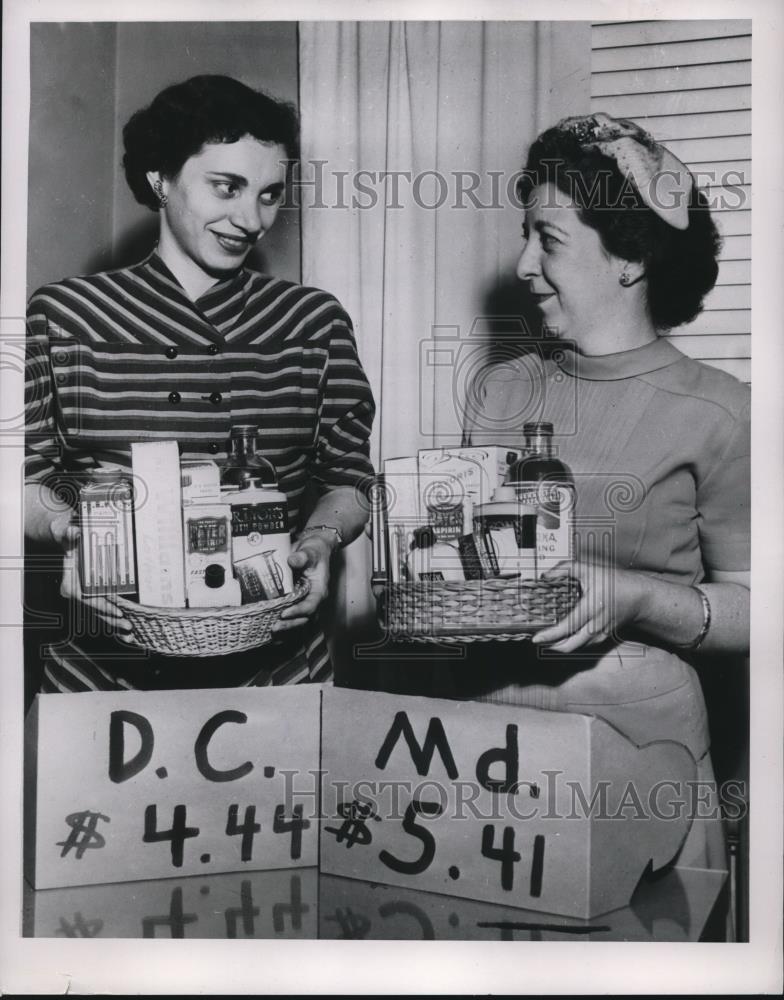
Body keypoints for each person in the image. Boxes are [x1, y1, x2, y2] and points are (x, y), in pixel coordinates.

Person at [450, 113, 750, 868]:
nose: (521, 265)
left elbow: (764, 613)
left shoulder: (722, 411)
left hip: (643, 746)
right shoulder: (498, 391)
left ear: (629, 259)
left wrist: (639, 597)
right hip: (483, 732)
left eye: (548, 240)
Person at [24, 75, 375, 693]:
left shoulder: (313, 321)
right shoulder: (65, 316)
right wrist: (70, 533)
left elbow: (347, 481)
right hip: (104, 675)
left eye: (270, 195)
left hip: (278, 672)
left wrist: (320, 541)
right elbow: (23, 480)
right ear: (160, 178)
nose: (252, 219)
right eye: (227, 187)